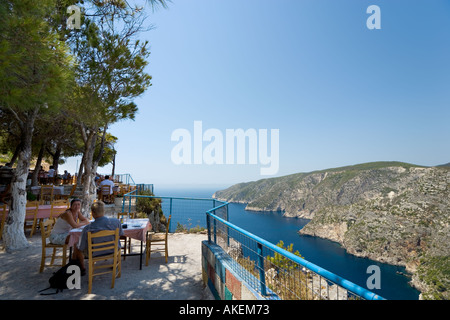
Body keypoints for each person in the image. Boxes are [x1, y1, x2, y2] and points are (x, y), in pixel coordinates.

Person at [73, 201, 123, 275]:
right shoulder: (116, 222)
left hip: (95, 253)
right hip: (113, 250)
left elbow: (81, 247)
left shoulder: (87, 228)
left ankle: (82, 269)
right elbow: (120, 234)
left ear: (92, 213)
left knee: (76, 246)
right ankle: (115, 262)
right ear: (104, 211)